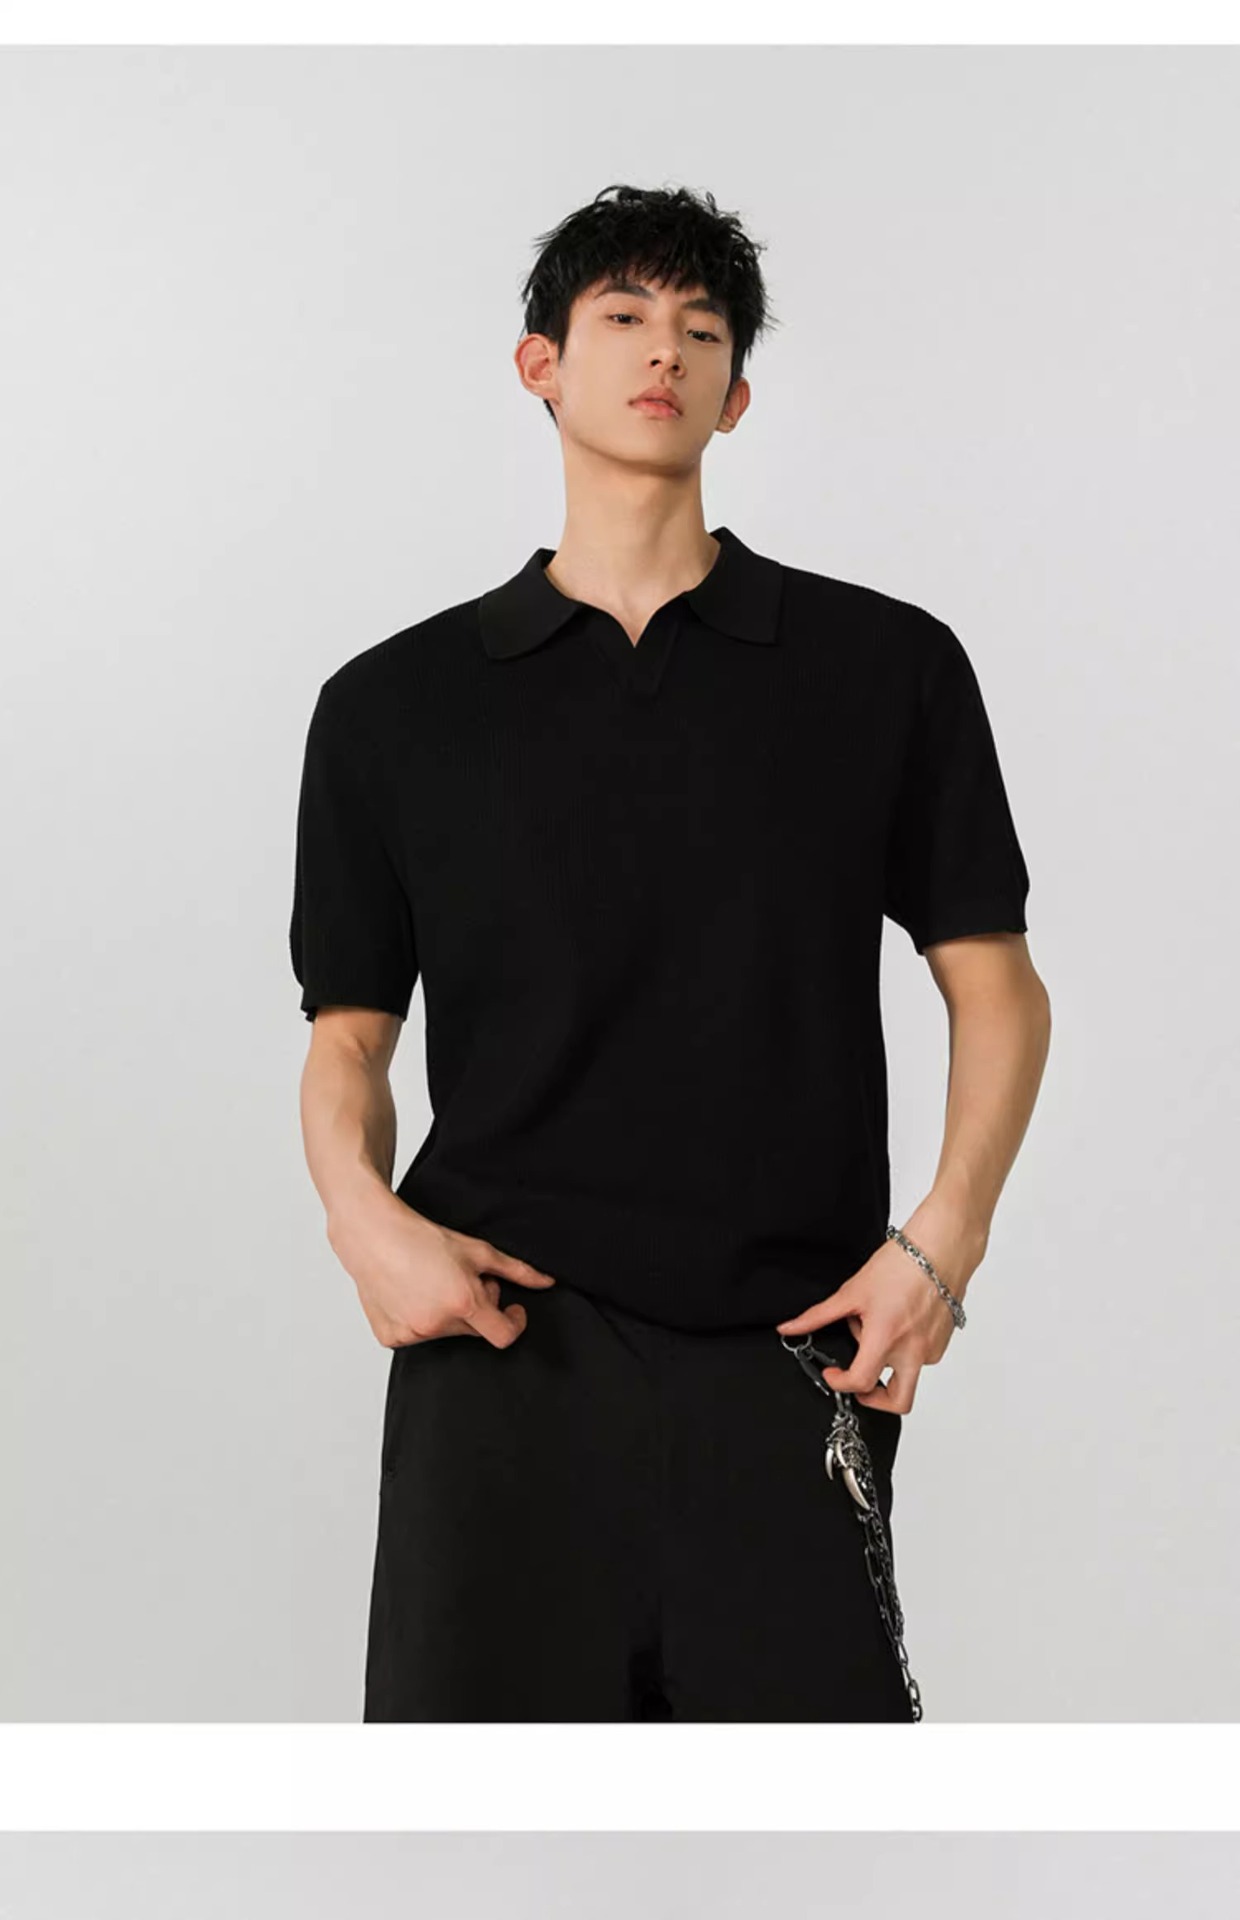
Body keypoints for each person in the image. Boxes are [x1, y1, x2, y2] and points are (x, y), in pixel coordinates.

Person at [289, 182, 1052, 1723]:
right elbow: (350, 1038)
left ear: (737, 394)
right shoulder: (394, 705)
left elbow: (996, 985)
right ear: (540, 365)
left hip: (787, 1348)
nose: (665, 352)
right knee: (472, 1827)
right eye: (625, 317)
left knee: (806, 1828)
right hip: (501, 1348)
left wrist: (941, 1247)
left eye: (703, 332)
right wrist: (362, 1220)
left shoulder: (881, 668)